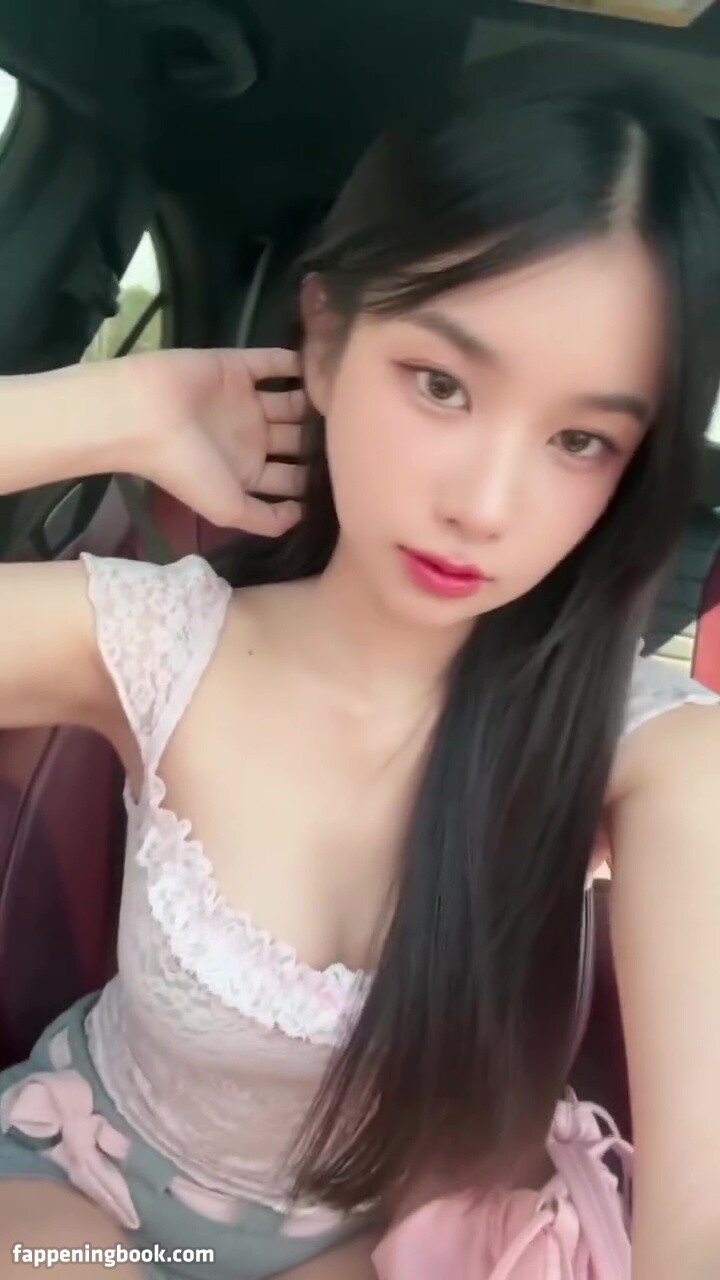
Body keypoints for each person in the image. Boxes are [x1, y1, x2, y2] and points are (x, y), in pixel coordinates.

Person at [1, 38, 720, 1280]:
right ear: (326, 341)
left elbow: (699, 1224)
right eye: (441, 382)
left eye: (579, 441)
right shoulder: (156, 643)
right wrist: (109, 407)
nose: (483, 504)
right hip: (75, 1208)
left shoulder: (655, 752)